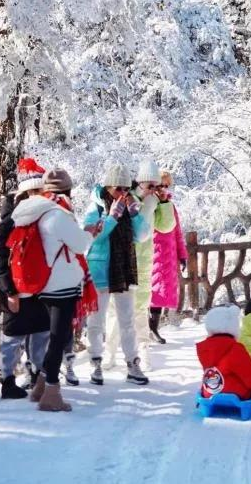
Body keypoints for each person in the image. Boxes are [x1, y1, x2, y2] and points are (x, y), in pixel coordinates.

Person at [10, 168, 99, 412]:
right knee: (58, 339)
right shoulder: (58, 215)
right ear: (67, 190)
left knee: (53, 338)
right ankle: (51, 391)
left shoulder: (37, 212)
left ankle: (40, 386)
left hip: (44, 284)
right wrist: (89, 233)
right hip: (61, 285)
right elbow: (79, 244)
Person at [84, 162, 150, 386]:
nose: (123, 193)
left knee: (127, 320)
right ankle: (95, 363)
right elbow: (92, 237)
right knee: (96, 321)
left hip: (124, 269)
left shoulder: (130, 206)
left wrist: (135, 215)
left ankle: (133, 364)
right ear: (108, 187)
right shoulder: (96, 207)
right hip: (101, 269)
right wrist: (111, 217)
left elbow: (142, 236)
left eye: (127, 189)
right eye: (119, 189)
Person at [0, 158, 50, 399]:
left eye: (41, 191)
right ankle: (7, 381)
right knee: (12, 339)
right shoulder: (10, 221)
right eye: (34, 191)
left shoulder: (44, 217)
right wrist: (8, 291)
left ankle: (37, 375)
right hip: (17, 290)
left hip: (39, 289)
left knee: (40, 335)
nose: (39, 196)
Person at [149, 170, 188, 344]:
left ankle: (153, 327)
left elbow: (177, 232)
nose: (163, 189)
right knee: (152, 293)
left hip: (169, 254)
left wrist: (182, 254)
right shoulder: (150, 204)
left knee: (162, 293)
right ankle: (149, 328)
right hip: (153, 253)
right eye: (160, 185)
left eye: (166, 185)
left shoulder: (171, 205)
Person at [129, 159, 161, 368]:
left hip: (145, 258)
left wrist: (164, 203)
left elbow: (166, 226)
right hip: (127, 258)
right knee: (121, 308)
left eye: (154, 185)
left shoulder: (155, 202)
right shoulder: (129, 199)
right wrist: (139, 197)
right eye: (148, 185)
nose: (152, 190)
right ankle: (117, 352)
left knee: (141, 305)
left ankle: (143, 350)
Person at [196, 304, 251, 400]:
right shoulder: (236, 348)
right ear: (233, 326)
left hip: (209, 392)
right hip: (237, 394)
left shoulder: (204, 348)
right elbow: (249, 374)